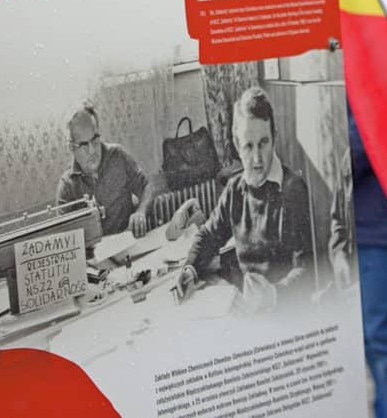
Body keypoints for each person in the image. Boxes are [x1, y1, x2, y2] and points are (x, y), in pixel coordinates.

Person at [175, 87, 311, 311]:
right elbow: (208, 235)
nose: (257, 159)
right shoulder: (235, 189)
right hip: (249, 306)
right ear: (237, 146)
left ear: (274, 139)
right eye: (248, 146)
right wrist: (190, 268)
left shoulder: (292, 190)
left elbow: (307, 269)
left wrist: (274, 294)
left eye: (263, 143)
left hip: (284, 310)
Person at [331, 107, 387, 418]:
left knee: (385, 340)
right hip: (358, 226)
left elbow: (367, 133)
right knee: (373, 342)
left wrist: (329, 151)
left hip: (381, 229)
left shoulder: (375, 79)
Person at [56, 102, 154, 238]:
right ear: (72, 148)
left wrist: (141, 211)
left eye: (95, 139)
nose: (92, 151)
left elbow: (146, 187)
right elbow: (65, 237)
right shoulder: (67, 186)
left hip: (129, 242)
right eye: (84, 145)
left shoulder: (118, 155)